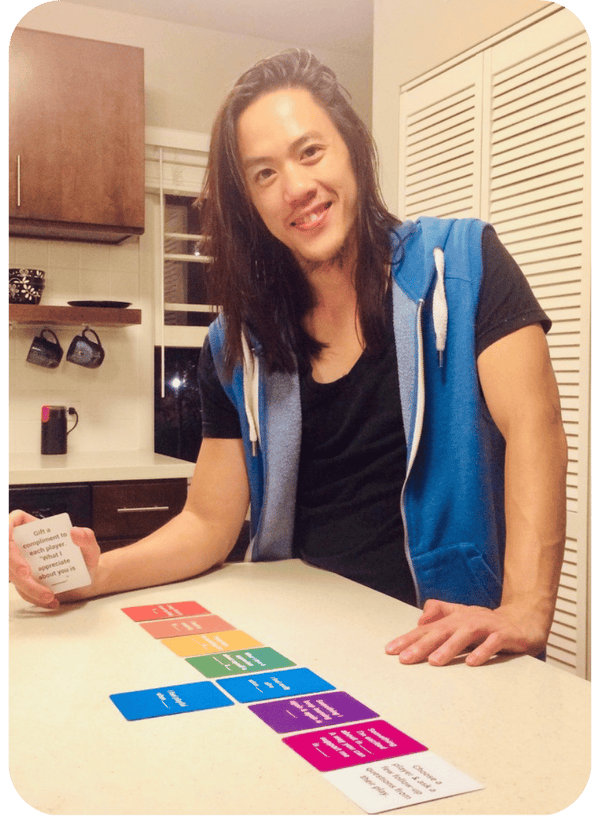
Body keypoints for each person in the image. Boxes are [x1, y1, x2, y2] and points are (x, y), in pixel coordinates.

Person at [8, 49, 567, 668]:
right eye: (264, 174)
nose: (296, 189)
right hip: (299, 643)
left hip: (446, 643)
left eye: (309, 152)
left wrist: (526, 607)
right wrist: (93, 573)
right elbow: (207, 522)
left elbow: (534, 428)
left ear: (351, 148)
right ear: (247, 201)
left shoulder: (465, 263)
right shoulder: (235, 342)